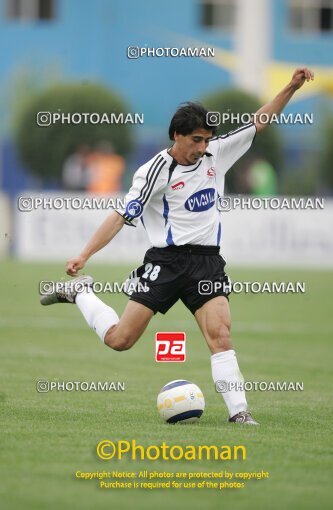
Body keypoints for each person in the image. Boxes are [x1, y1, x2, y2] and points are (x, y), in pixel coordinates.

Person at [41, 68, 314, 425]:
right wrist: (84, 254)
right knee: (120, 339)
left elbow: (259, 122)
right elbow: (120, 216)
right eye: (196, 140)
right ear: (177, 136)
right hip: (166, 263)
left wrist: (291, 87)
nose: (203, 148)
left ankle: (239, 413)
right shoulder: (154, 171)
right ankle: (80, 293)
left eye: (207, 140)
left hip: (207, 263)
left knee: (220, 334)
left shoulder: (217, 153)